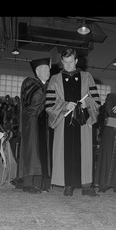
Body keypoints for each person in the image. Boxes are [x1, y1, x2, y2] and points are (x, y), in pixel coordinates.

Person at [46, 48, 100, 197]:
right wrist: (64, 105)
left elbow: (96, 99)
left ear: (76, 61)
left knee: (85, 151)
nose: (68, 65)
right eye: (65, 62)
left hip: (82, 118)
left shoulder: (87, 77)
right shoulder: (55, 79)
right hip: (64, 118)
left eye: (71, 62)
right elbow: (50, 102)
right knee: (66, 151)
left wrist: (87, 103)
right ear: (62, 62)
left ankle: (87, 185)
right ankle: (68, 184)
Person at [17, 58, 52, 194]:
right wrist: (48, 94)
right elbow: (32, 102)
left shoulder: (49, 85)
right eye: (44, 70)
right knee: (32, 152)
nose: (47, 72)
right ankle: (27, 184)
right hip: (32, 123)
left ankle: (39, 184)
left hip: (45, 124)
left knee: (42, 151)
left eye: (48, 70)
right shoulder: (30, 82)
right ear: (37, 72)